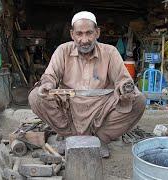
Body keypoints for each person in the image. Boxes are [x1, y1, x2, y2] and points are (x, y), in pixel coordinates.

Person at [28, 11, 145, 157]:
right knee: (35, 97)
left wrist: (125, 89)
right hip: (69, 107)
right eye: (79, 34)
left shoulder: (110, 52)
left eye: (89, 33)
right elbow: (50, 76)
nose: (84, 40)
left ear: (97, 33)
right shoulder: (63, 50)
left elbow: (122, 79)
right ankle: (70, 137)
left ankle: (99, 139)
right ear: (72, 34)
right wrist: (47, 84)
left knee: (138, 100)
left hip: (102, 108)